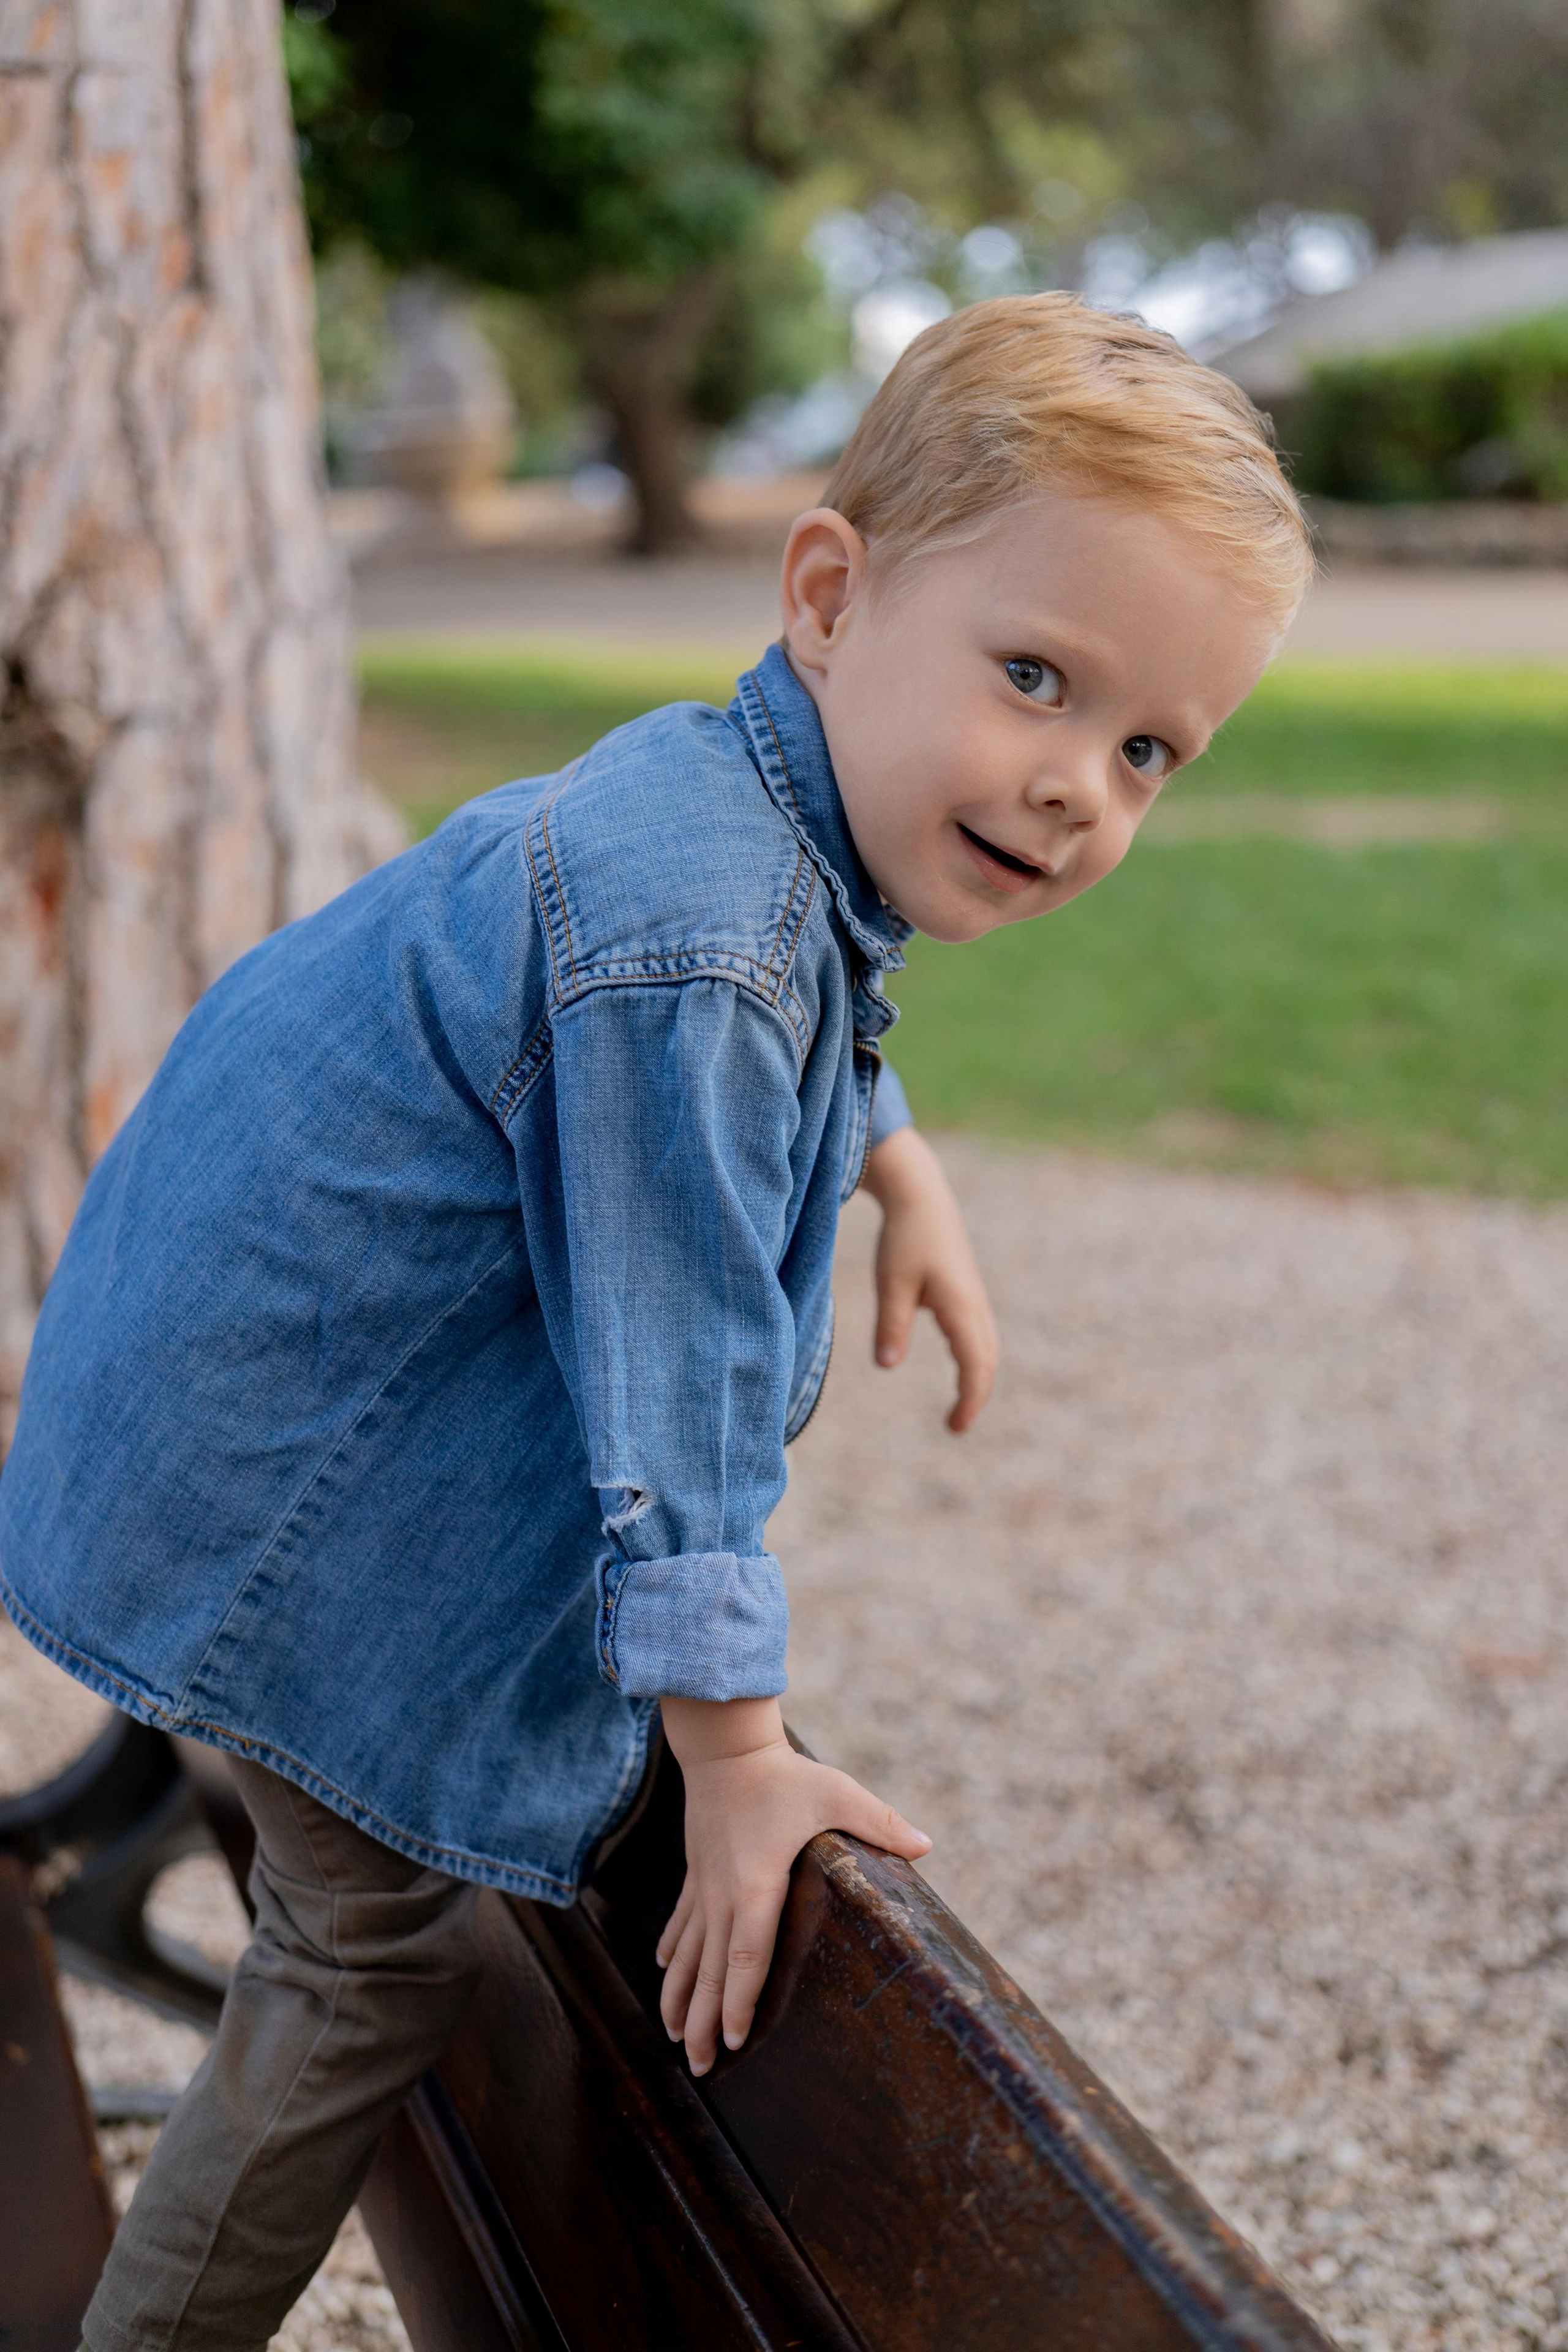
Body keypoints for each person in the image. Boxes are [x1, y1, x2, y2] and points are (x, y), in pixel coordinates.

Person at [0, 293, 1311, 2352]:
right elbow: (674, 1365)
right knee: (373, 1956)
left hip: (167, 1453)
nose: (1076, 785)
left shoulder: (720, 802)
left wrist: (902, 1161)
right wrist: (734, 1744)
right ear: (826, 595)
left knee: (407, 1910)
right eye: (1037, 677)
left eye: (1147, 746)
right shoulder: (704, 932)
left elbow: (790, 1000)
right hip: (258, 1534)